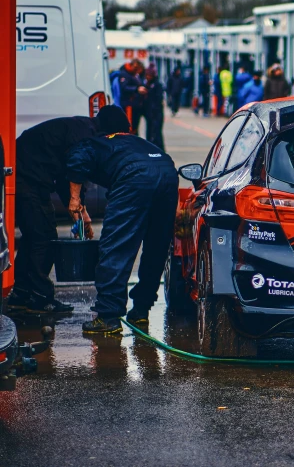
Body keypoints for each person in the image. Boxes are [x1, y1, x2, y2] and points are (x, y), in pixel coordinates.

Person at [66, 110, 178, 334]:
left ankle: (108, 317)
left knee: (116, 246)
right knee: (156, 247)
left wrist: (75, 199)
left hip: (134, 177)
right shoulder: (140, 142)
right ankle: (141, 311)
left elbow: (76, 161)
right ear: (127, 127)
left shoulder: (97, 142)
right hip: (167, 173)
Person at [9, 109, 126, 313]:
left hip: (30, 177)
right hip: (26, 179)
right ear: (111, 131)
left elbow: (66, 180)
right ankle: (39, 297)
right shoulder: (85, 135)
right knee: (44, 238)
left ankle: (21, 292)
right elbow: (74, 171)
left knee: (33, 236)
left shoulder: (83, 128)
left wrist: (81, 214)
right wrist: (75, 203)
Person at [118, 59, 147, 132]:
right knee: (130, 125)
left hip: (135, 104)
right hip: (129, 104)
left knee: (134, 125)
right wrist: (137, 89)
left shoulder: (134, 74)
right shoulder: (125, 74)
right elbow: (124, 88)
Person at [142, 63, 165, 150]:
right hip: (149, 113)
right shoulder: (146, 84)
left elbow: (158, 99)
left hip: (156, 112)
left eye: (150, 75)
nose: (148, 77)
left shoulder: (157, 85)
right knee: (149, 132)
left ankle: (159, 149)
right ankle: (150, 148)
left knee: (156, 132)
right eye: (147, 75)